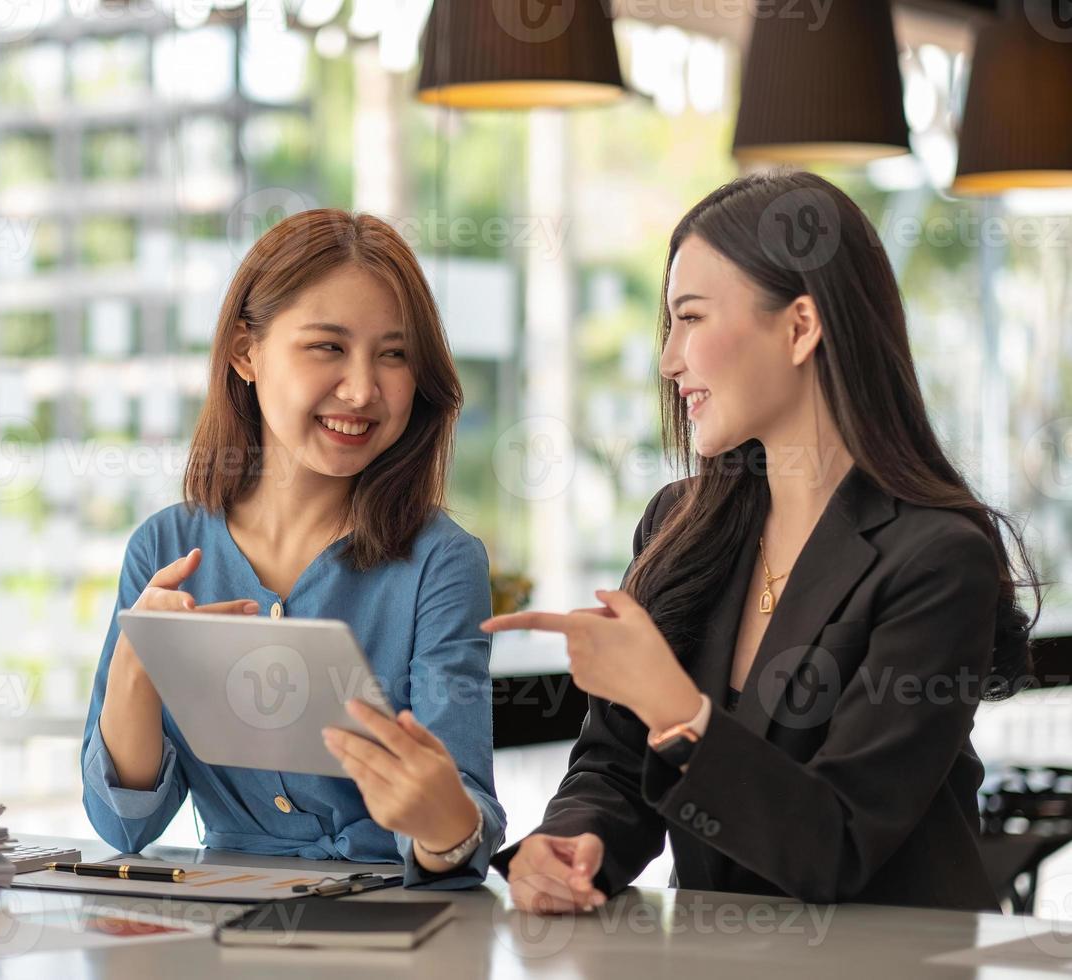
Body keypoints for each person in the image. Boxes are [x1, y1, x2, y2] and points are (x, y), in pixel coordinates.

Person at [484, 171, 1039, 912]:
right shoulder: (679, 526)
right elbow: (615, 767)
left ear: (801, 326)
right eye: (670, 325)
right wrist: (574, 844)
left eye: (692, 318)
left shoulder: (937, 558)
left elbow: (838, 845)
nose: (668, 359)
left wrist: (678, 710)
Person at [81, 209, 505, 887]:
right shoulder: (166, 546)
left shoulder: (440, 562)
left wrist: (444, 821)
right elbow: (124, 827)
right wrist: (136, 666)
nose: (363, 390)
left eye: (393, 355)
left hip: (390, 929)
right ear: (245, 353)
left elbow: (461, 832)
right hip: (217, 924)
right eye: (327, 347)